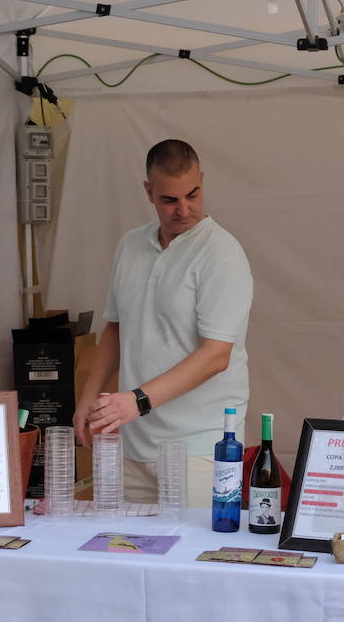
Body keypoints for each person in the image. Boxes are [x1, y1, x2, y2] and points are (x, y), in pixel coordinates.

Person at [74, 139, 253, 505]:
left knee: (193, 560)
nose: (184, 209)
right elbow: (115, 328)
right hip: (131, 442)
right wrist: (88, 396)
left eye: (193, 194)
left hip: (200, 447)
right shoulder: (130, 245)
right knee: (120, 553)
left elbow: (217, 355)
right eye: (170, 200)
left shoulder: (222, 254)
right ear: (148, 191)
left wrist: (137, 401)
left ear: (202, 180)